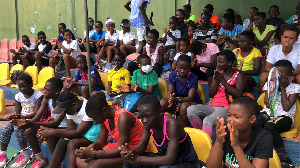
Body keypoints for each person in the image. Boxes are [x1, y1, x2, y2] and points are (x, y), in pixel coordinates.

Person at [120, 95, 201, 168]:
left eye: (148, 116)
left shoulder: (172, 124)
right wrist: (131, 152)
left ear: (159, 112)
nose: (144, 121)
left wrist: (137, 159)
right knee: (128, 163)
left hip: (185, 162)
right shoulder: (148, 124)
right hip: (163, 158)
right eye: (141, 116)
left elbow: (170, 159)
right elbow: (142, 144)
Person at [11, 77, 67, 168]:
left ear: (56, 91)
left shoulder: (63, 101)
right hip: (52, 126)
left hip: (65, 129)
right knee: (28, 130)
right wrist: (26, 123)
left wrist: (32, 124)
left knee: (49, 133)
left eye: (47, 90)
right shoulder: (46, 99)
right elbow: (37, 117)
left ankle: (56, 162)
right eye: (44, 88)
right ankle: (40, 158)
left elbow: (56, 123)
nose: (44, 92)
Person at [75, 95, 143, 168]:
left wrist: (93, 154)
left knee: (95, 165)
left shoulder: (123, 118)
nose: (95, 121)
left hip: (131, 151)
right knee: (80, 160)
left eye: (95, 118)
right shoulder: (104, 118)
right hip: (117, 147)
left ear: (105, 110)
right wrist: (90, 148)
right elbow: (101, 140)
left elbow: (121, 149)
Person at [187, 50, 244, 138]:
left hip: (228, 108)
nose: (218, 64)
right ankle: (201, 136)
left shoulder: (238, 75)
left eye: (221, 62)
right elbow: (211, 94)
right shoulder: (218, 74)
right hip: (213, 105)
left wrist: (222, 81)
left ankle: (207, 145)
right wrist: (216, 80)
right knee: (190, 110)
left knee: (207, 120)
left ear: (229, 63)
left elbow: (239, 95)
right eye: (218, 61)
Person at [255, 60, 299, 168]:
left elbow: (287, 107)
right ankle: (254, 151)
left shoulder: (295, 87)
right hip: (268, 113)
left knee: (269, 126)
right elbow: (268, 105)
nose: (281, 77)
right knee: (255, 123)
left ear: (290, 75)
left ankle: (283, 157)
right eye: (279, 74)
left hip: (285, 117)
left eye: (285, 75)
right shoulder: (269, 85)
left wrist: (283, 87)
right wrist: (275, 87)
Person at [206, 97, 273, 168]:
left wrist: (236, 146)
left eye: (237, 117)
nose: (230, 120)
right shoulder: (223, 133)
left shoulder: (263, 137)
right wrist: (219, 142)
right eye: (229, 115)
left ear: (252, 119)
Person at [38, 91, 99, 168]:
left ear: (74, 105)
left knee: (72, 143)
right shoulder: (70, 108)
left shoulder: (87, 108)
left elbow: (78, 133)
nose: (64, 113)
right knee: (63, 141)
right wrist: (49, 131)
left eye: (65, 110)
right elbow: (71, 128)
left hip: (92, 135)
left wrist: (53, 131)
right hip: (82, 133)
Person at [0, 74, 43, 167]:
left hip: (33, 120)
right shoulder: (18, 96)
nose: (22, 89)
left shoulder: (38, 95)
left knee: (17, 127)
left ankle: (25, 155)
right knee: (7, 127)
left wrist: (23, 118)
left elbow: (36, 112)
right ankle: (3, 154)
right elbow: (18, 112)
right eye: (20, 87)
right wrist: (14, 117)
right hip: (22, 118)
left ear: (31, 84)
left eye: (24, 86)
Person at [160, 55, 202, 127]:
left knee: (183, 106)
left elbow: (190, 98)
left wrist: (176, 99)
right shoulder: (172, 75)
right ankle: (161, 127)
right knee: (162, 103)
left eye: (185, 68)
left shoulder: (193, 78)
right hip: (176, 102)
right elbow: (170, 92)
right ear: (176, 66)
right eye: (180, 68)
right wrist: (169, 99)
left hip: (191, 103)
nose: (182, 71)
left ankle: (183, 131)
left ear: (189, 67)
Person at [259, 25, 300, 93]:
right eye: (285, 37)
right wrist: (279, 74)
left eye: (291, 38)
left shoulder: (298, 48)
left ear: (296, 40)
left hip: (292, 76)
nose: (287, 40)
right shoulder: (274, 48)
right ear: (281, 37)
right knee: (264, 75)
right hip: (276, 75)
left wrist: (287, 75)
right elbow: (267, 67)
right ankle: (261, 97)